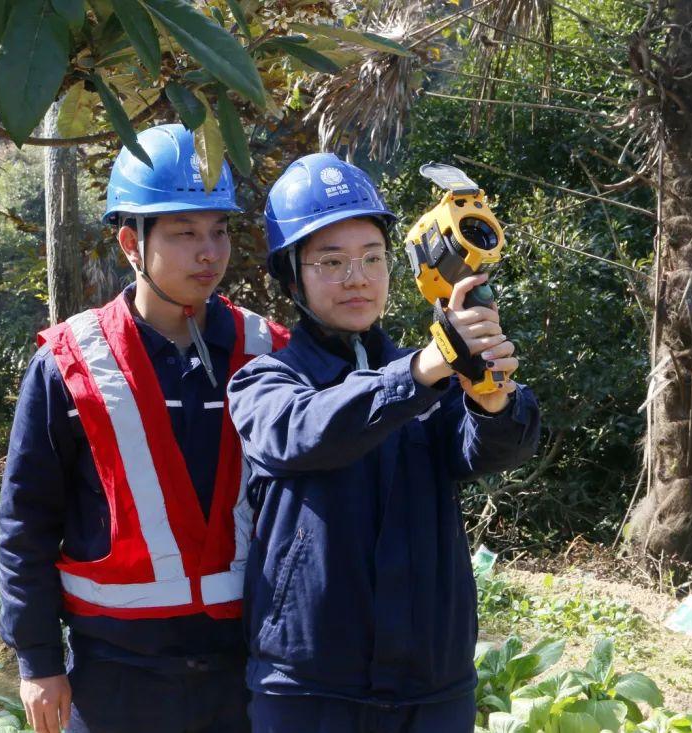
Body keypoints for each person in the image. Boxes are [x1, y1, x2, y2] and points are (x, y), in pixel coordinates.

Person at [227, 153, 541, 733]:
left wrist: (492, 398)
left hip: (432, 682)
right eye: (332, 262)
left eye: (373, 258)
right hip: (308, 686)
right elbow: (307, 433)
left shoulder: (431, 372)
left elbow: (488, 453)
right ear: (292, 278)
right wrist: (427, 367)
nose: (358, 278)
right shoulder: (264, 381)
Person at [0, 123, 288, 733]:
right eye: (184, 233)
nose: (209, 253)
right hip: (114, 677)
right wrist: (38, 661)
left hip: (245, 669)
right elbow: (26, 522)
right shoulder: (68, 364)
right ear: (131, 242)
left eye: (218, 230)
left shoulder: (269, 352)